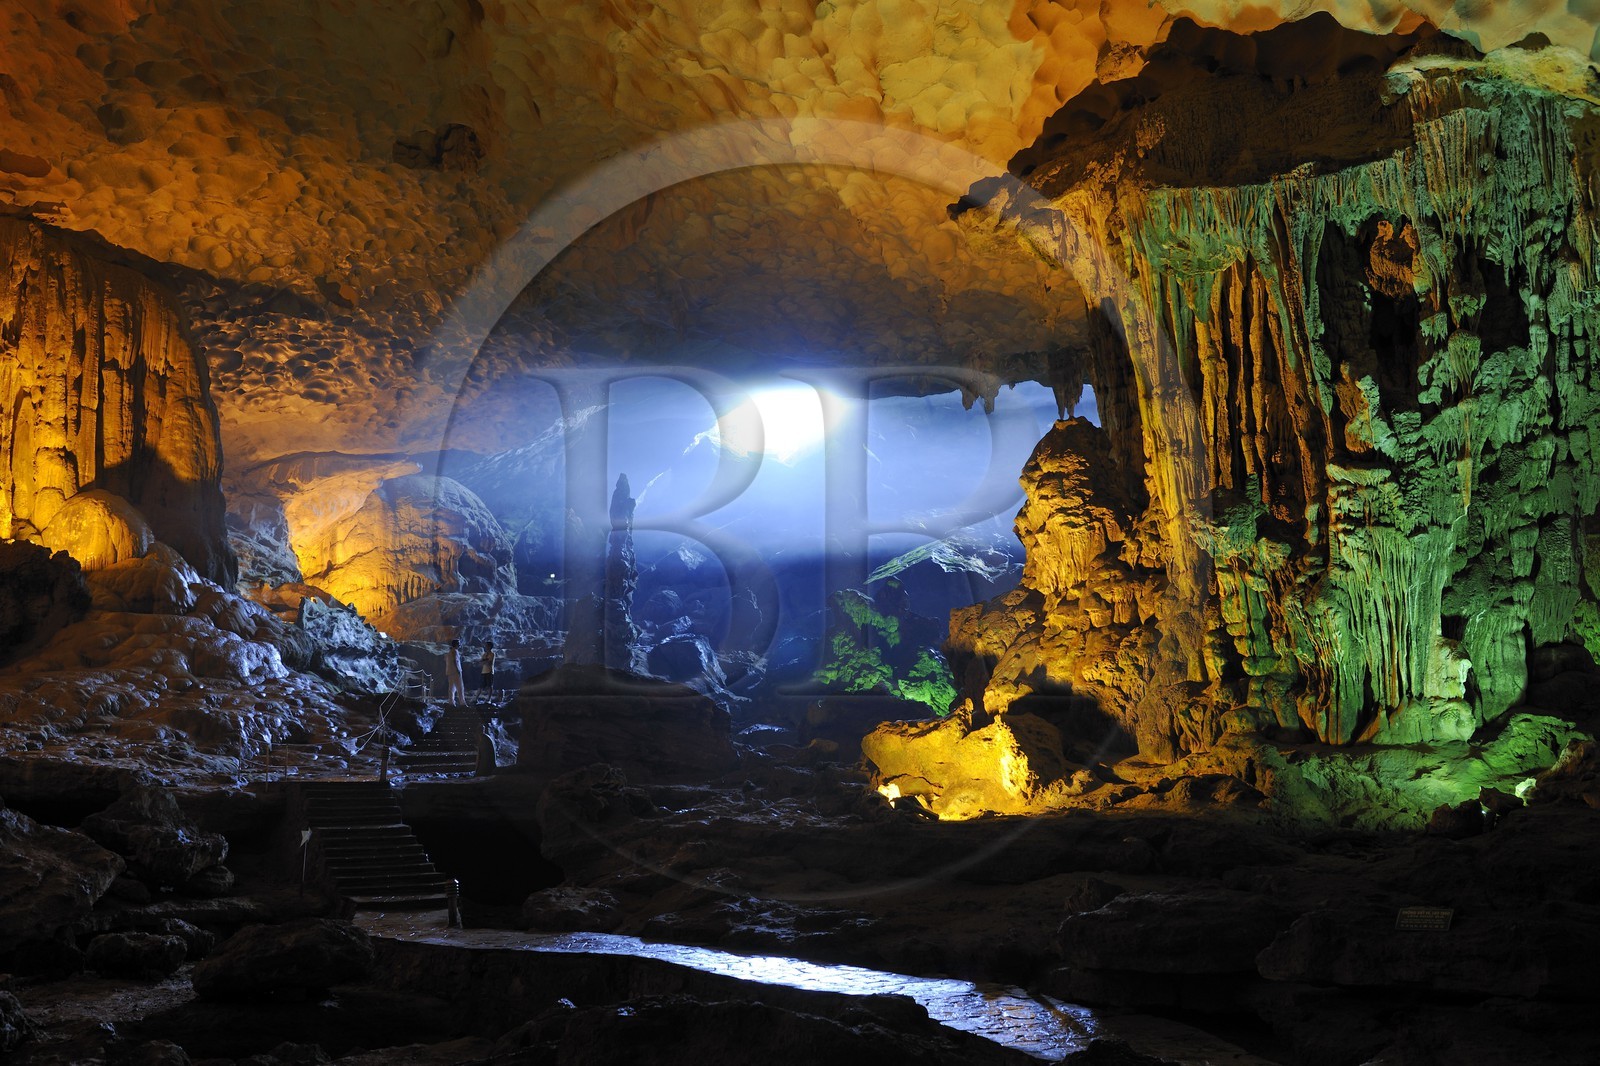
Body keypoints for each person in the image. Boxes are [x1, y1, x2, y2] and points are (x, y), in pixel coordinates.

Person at [445, 638, 466, 705]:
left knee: (451, 688)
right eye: (459, 644)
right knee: (460, 687)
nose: (460, 645)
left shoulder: (449, 652)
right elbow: (455, 661)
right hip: (455, 672)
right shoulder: (455, 651)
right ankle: (462, 703)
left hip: (449, 672)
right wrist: (458, 670)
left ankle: (451, 702)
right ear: (456, 645)